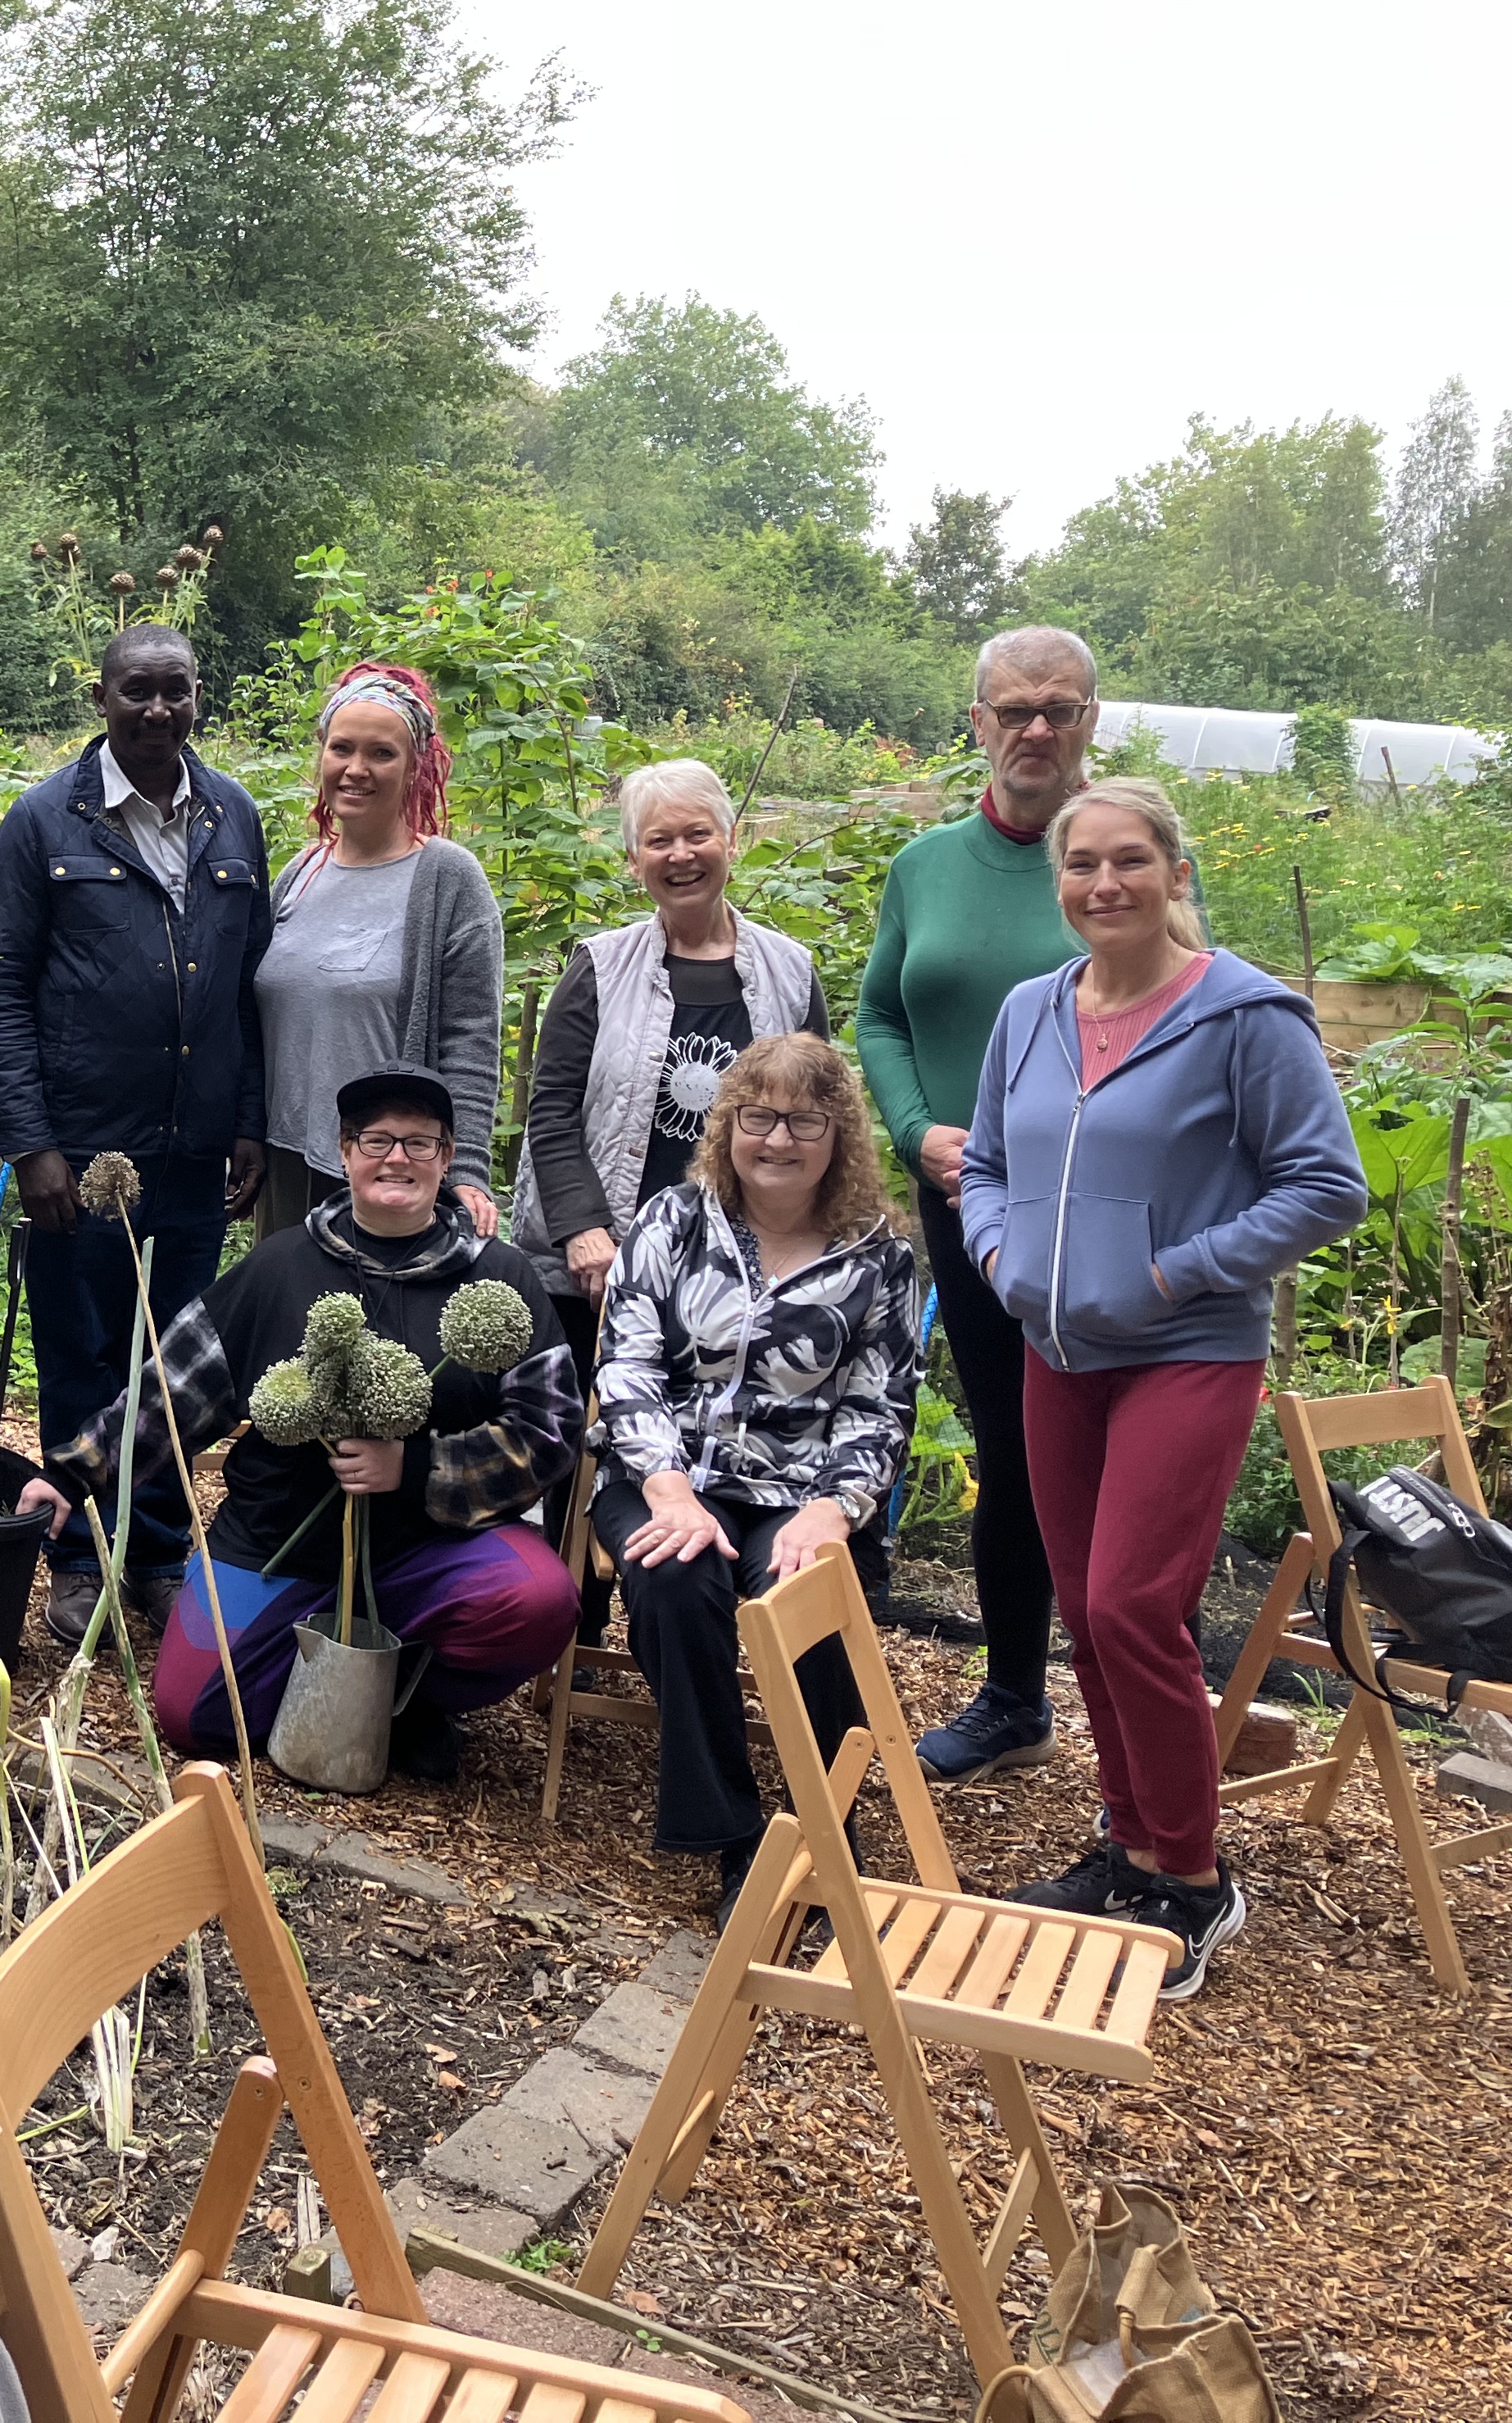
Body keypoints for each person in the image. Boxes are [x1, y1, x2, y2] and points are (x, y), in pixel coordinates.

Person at [961, 775, 1364, 1998]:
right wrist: (997, 1256)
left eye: (1130, 861)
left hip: (1187, 1351)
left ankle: (1193, 1877)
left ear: (1175, 874)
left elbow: (1325, 1184)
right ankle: (1125, 1840)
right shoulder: (1031, 1012)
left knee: (1137, 1604)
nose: (1104, 884)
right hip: (1056, 1352)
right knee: (1085, 1607)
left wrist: (1177, 1273)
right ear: (1062, 882)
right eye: (1082, 865)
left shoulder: (1248, 1016)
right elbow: (983, 1162)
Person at [20, 1070, 583, 1782]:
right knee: (193, 1715)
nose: (397, 1159)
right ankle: (325, 1671)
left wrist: (414, 1471)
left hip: (432, 1550)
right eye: (377, 1140)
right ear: (345, 1153)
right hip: (281, 1542)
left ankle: (405, 1696)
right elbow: (172, 1393)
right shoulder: (282, 1265)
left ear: (446, 1161)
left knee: (538, 1602)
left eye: (418, 1143)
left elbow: (552, 1430)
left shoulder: (499, 1281)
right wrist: (73, 1473)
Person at [0, 622, 272, 1643]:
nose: (157, 710)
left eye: (176, 692)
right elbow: (3, 990)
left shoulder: (231, 815)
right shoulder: (43, 822)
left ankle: (152, 1550)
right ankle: (73, 1552)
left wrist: (248, 1121)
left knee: (174, 1359)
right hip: (83, 1145)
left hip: (193, 1150)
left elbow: (246, 988)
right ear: (100, 699)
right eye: (136, 692)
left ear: (198, 698)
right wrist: (30, 1144)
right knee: (82, 1351)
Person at [589, 1034, 919, 1917]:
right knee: (674, 1575)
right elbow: (625, 1366)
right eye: (758, 1116)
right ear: (727, 1125)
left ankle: (826, 1818)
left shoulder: (878, 1255)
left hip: (798, 1490)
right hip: (659, 1471)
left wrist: (834, 1511)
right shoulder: (673, 1219)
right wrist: (668, 1487)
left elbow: (880, 1408)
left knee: (800, 1583)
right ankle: (733, 1835)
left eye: (803, 1120)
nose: (777, 1139)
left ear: (837, 1134)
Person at [855, 625, 1103, 1783]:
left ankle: (1119, 1692)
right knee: (1008, 1444)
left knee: (1094, 1453)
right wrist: (915, 1131)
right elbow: (881, 1017)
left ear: (1092, 722)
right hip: (966, 1207)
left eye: (1060, 708)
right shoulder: (927, 866)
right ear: (979, 725)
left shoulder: (1120, 861)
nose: (1036, 729)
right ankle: (1014, 1693)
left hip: (1097, 1216)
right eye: (1015, 710)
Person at [515, 757, 829, 1392]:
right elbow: (550, 1113)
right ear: (634, 860)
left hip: (745, 1263)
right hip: (604, 1266)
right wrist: (582, 1229)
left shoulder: (790, 972)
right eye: (659, 841)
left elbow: (821, 1119)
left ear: (731, 840)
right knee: (587, 1447)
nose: (681, 855)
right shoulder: (599, 970)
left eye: (697, 834)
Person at [257, 661, 502, 1238]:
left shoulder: (447, 879)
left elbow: (470, 1039)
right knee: (289, 1322)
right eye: (342, 748)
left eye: (381, 753)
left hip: (393, 1170)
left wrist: (464, 1168)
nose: (356, 769)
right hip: (287, 1160)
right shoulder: (299, 874)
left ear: (417, 766)